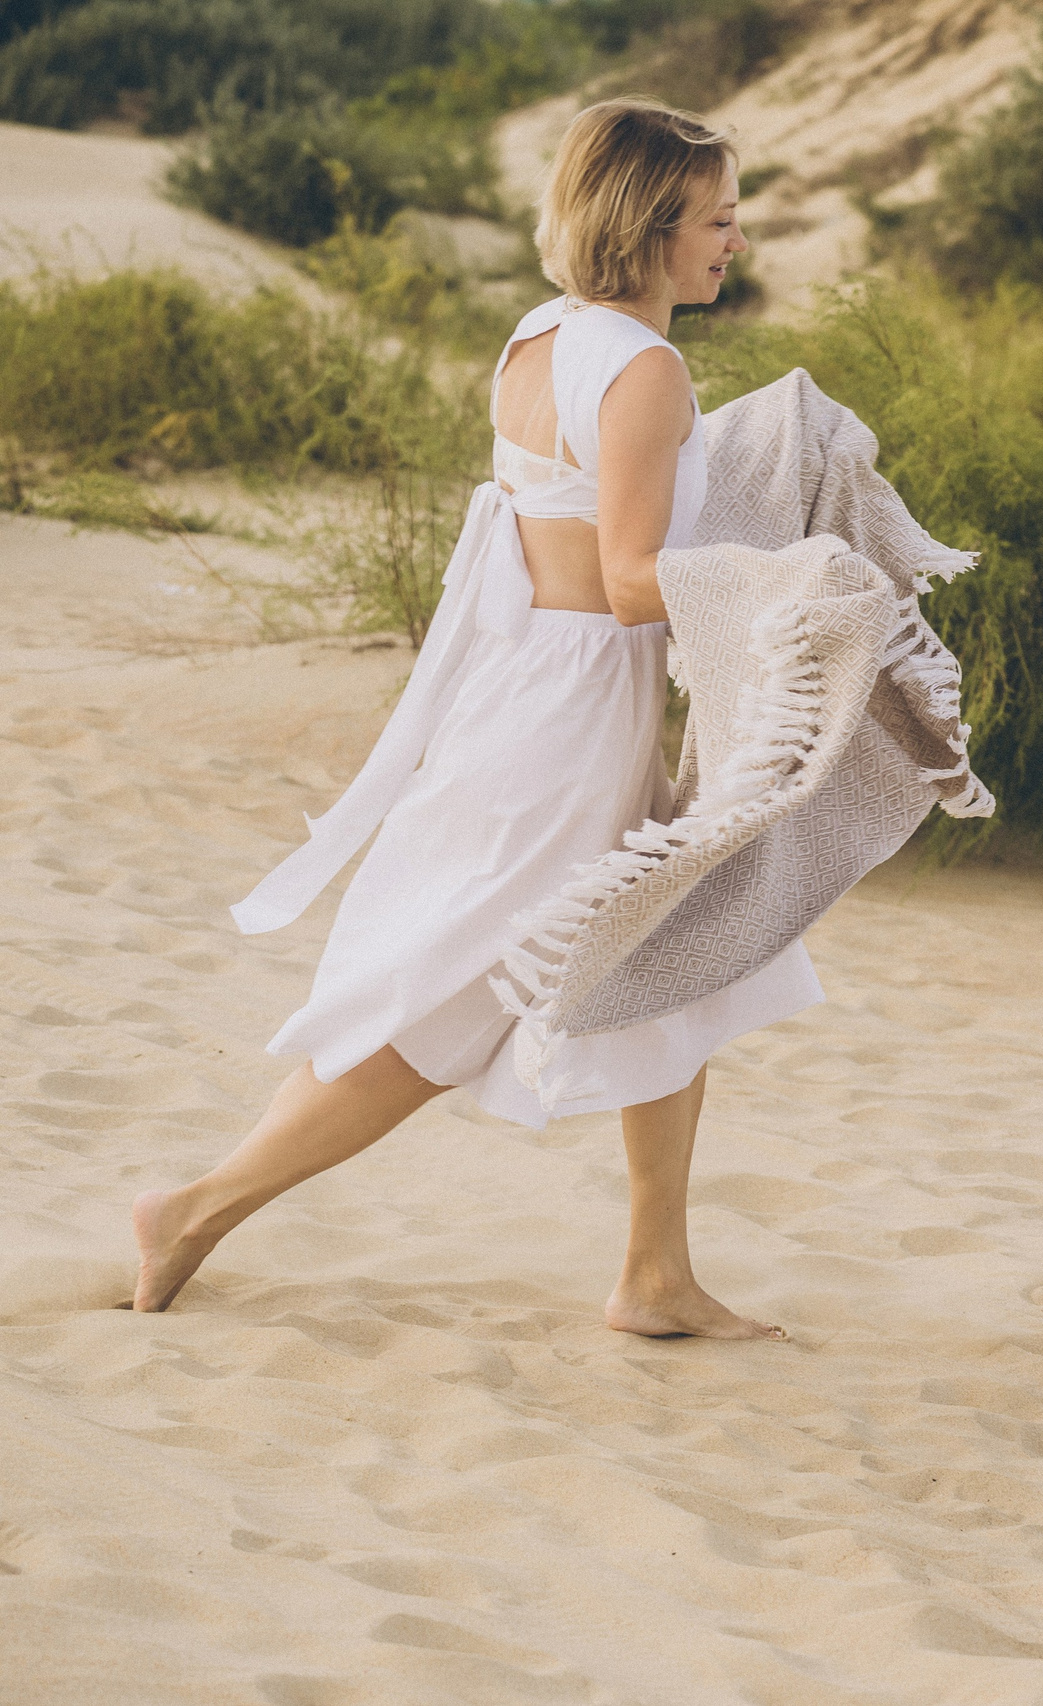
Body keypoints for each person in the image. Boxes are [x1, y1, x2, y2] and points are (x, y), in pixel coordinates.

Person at [132, 99, 809, 1340]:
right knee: (449, 1004)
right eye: (717, 218)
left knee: (670, 955)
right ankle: (195, 1205)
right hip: (570, 714)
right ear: (654, 224)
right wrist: (798, 579)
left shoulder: (543, 333)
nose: (737, 240)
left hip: (533, 687)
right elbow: (625, 579)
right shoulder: (647, 370)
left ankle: (655, 1272)